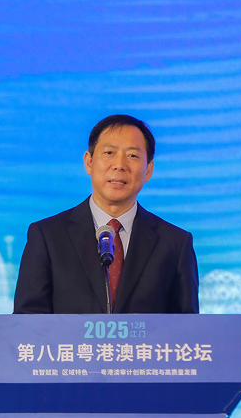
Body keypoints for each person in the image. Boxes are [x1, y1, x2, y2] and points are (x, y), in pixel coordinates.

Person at [13, 114, 199, 313]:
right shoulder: (48, 236)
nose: (119, 165)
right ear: (89, 162)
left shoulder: (175, 243)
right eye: (109, 152)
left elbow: (187, 326)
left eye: (132, 156)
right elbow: (27, 321)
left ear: (148, 170)